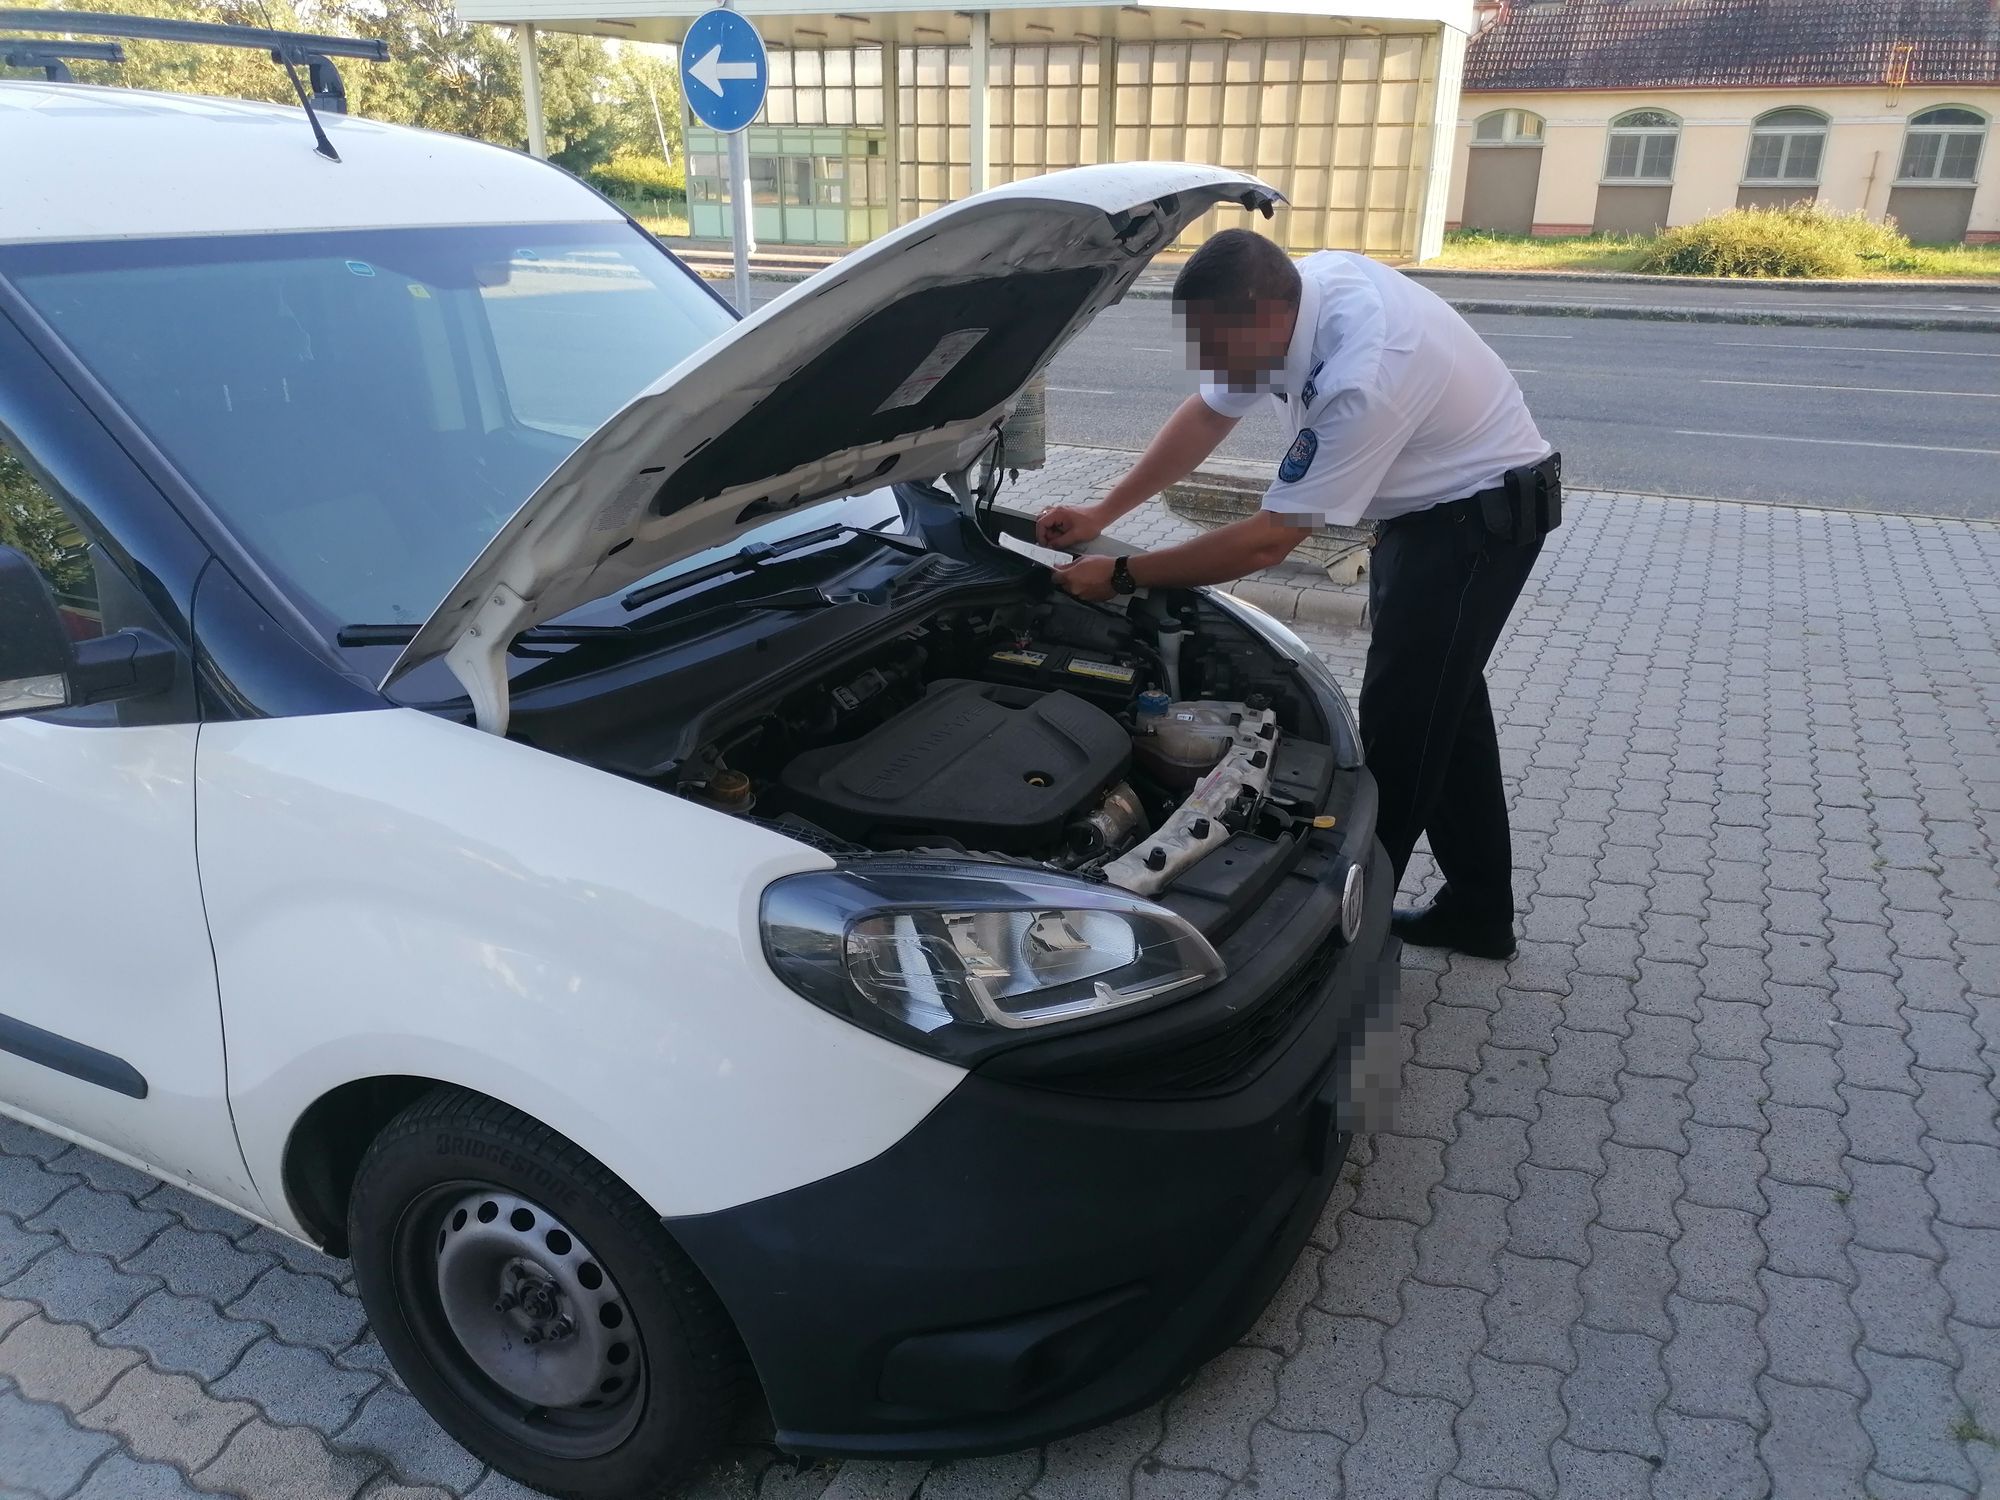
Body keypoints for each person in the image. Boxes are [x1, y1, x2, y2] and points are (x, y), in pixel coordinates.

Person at [1042, 228, 1560, 960]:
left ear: (1263, 318)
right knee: (1448, 710)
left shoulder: (1364, 369)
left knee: (1403, 727)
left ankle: (1337, 940)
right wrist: (1103, 514)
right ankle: (1479, 911)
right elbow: (1209, 414)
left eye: (1217, 346)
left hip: (1475, 524)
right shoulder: (1285, 302)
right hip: (1426, 513)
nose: (1211, 365)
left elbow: (1266, 541)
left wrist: (1122, 574)